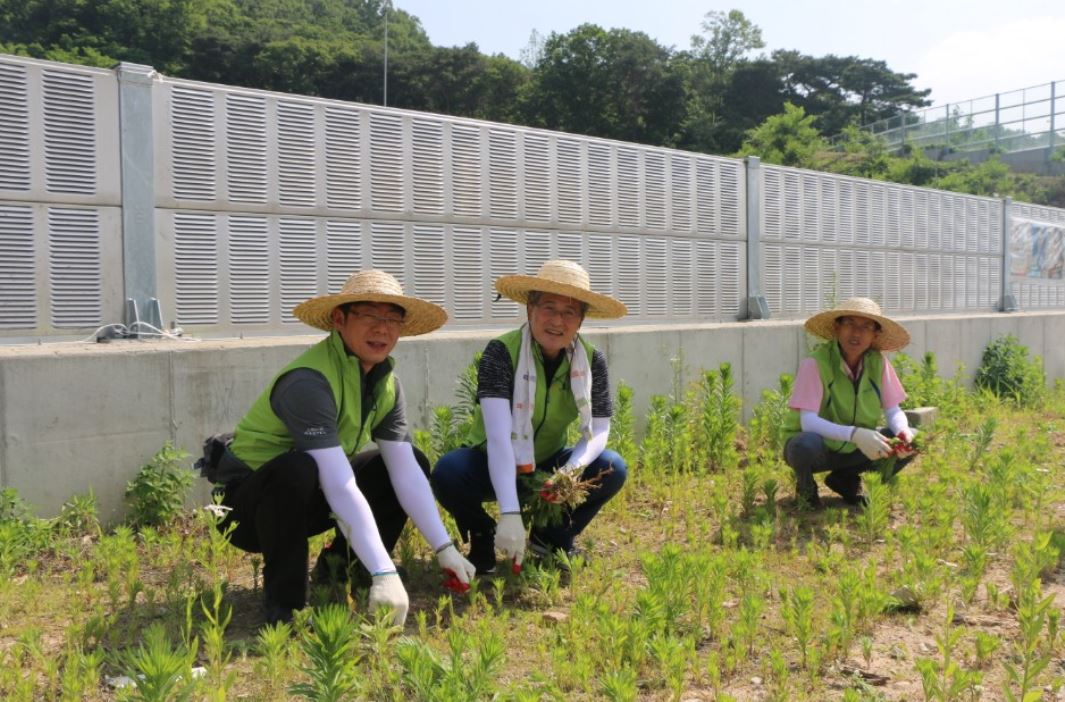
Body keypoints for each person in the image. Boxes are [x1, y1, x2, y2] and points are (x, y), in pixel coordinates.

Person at [213, 270, 475, 626]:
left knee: (408, 458)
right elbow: (337, 481)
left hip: (311, 495)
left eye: (391, 319)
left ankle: (342, 570)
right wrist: (387, 570)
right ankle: (284, 607)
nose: (382, 329)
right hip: (247, 508)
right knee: (298, 467)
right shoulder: (308, 381)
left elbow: (404, 472)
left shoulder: (386, 383)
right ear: (340, 319)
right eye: (369, 316)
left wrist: (445, 548)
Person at [431, 260, 628, 574]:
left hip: (548, 465)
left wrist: (569, 471)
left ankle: (550, 539)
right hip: (490, 461)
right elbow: (497, 437)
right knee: (448, 472)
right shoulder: (502, 352)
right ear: (529, 310)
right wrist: (509, 512)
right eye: (549, 308)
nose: (557, 321)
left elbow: (600, 428)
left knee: (612, 466)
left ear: (581, 320)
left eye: (570, 312)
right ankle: (485, 535)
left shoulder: (591, 360)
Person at [782, 297, 919, 508]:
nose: (857, 333)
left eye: (866, 327)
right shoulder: (816, 363)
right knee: (802, 445)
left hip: (857, 449)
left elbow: (893, 409)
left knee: (911, 439)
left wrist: (903, 431)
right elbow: (808, 421)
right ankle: (806, 489)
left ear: (875, 334)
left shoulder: (878, 364)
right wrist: (855, 434)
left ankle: (845, 479)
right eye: (850, 324)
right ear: (837, 327)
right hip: (821, 450)